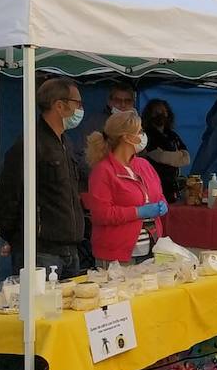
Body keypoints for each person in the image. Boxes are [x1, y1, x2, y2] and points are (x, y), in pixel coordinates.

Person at [0, 77, 87, 279]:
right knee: (41, 309)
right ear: (59, 106)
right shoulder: (31, 144)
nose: (81, 109)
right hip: (41, 253)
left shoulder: (65, 143)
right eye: (77, 103)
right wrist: (19, 239)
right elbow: (5, 200)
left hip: (70, 249)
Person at [85, 111, 168, 265]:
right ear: (126, 137)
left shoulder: (145, 165)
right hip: (117, 256)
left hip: (151, 251)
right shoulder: (103, 171)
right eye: (140, 131)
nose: (143, 135)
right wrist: (138, 212)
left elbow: (158, 195)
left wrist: (162, 205)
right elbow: (101, 214)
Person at [69, 84, 138, 186]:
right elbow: (81, 155)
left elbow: (140, 155)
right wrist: (99, 176)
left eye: (127, 101)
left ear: (133, 103)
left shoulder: (137, 125)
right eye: (118, 100)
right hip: (100, 181)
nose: (123, 105)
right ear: (109, 102)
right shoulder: (94, 123)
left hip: (130, 183)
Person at [139, 99, 190, 203]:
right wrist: (178, 155)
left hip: (172, 186)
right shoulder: (146, 135)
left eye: (163, 112)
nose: (160, 115)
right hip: (154, 184)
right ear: (150, 115)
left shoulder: (172, 135)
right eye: (156, 112)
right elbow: (159, 156)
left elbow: (186, 158)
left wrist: (170, 156)